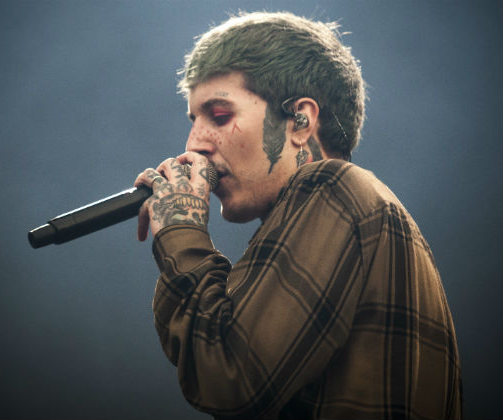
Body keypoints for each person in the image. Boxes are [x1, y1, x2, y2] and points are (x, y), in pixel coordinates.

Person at [133, 11, 461, 419]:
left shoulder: (333, 187)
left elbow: (229, 378)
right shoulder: (360, 212)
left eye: (219, 116)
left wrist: (181, 232)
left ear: (300, 121)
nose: (193, 144)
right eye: (193, 120)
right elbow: (207, 359)